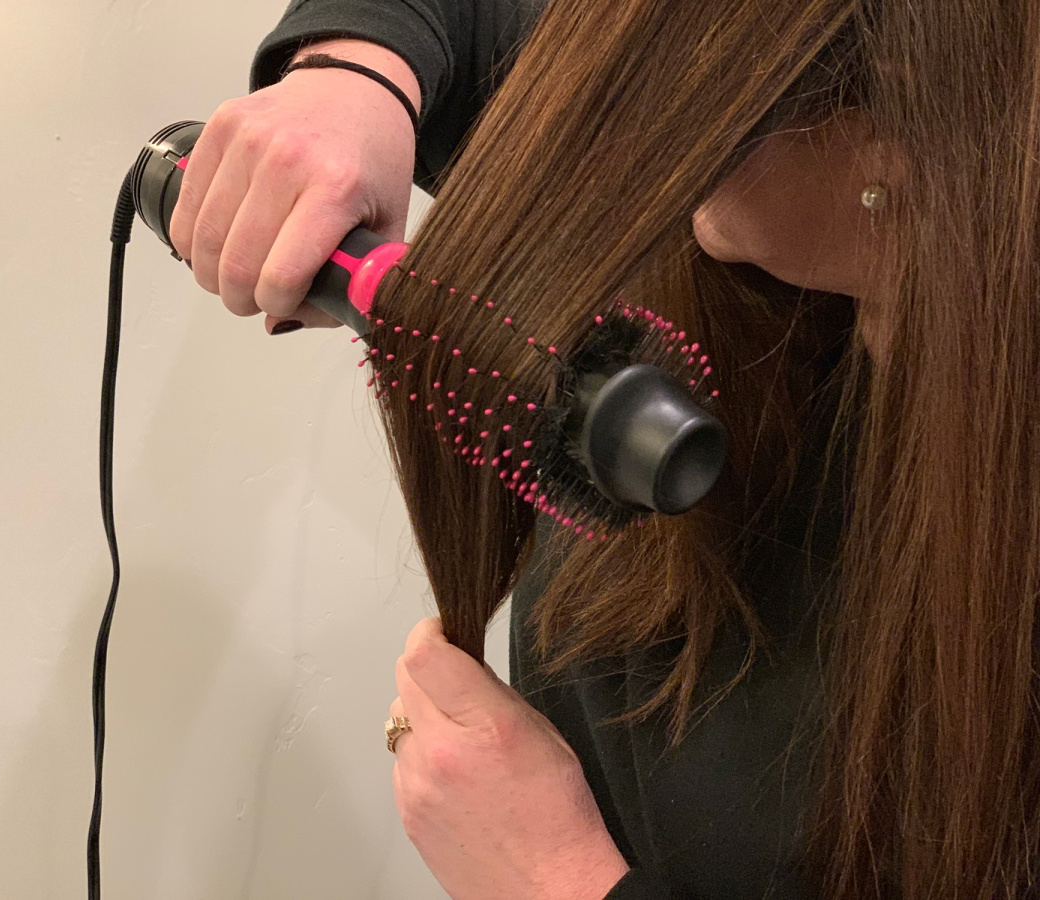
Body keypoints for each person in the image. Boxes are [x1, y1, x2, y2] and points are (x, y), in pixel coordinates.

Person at [171, 1, 1040, 897]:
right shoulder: (747, 267)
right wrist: (355, 79)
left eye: (688, 87)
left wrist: (557, 879)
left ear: (895, 143)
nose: (641, 123)